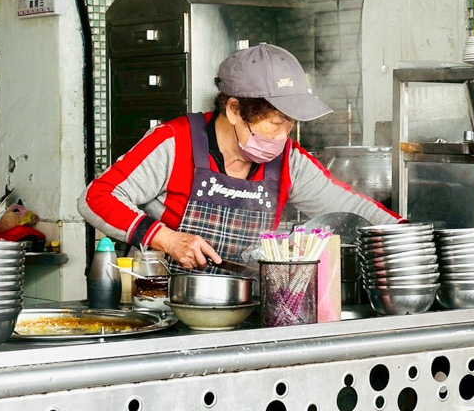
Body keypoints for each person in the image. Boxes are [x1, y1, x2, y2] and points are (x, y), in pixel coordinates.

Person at [78, 43, 402, 271]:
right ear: (234, 109)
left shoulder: (289, 161)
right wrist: (168, 240)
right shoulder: (174, 143)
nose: (282, 137)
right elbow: (97, 196)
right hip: (164, 305)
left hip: (246, 306)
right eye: (275, 124)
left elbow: (351, 208)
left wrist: (412, 235)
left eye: (289, 125)